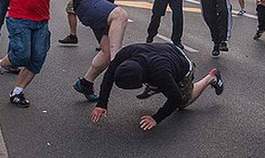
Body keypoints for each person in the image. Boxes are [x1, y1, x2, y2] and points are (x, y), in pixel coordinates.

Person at [90, 43, 224, 130]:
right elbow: (109, 75)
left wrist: (156, 118)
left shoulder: (160, 73)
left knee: (182, 103)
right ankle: (157, 87)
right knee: (160, 82)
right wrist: (102, 103)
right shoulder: (125, 54)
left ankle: (211, 77)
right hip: (164, 50)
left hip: (182, 65)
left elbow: (175, 98)